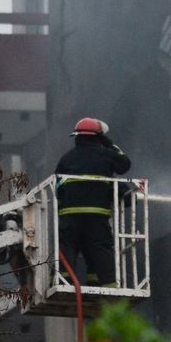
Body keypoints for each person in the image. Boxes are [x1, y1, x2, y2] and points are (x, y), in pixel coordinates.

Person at [54, 117, 131, 286]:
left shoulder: (67, 158)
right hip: (97, 218)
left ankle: (64, 283)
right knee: (100, 252)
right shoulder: (107, 155)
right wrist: (111, 145)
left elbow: (57, 188)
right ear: (99, 138)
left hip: (70, 218)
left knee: (67, 249)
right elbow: (124, 165)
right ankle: (108, 290)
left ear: (77, 137)